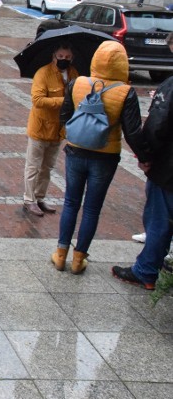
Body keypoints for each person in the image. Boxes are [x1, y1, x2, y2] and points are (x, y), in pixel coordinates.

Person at [52, 41, 150, 274]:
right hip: (105, 156)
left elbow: (65, 116)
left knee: (70, 203)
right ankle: (78, 259)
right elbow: (133, 132)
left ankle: (60, 254)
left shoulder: (78, 83)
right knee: (92, 209)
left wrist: (76, 136)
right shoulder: (125, 92)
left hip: (75, 151)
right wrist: (144, 158)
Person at [112, 33, 173, 289]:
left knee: (159, 220)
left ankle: (145, 271)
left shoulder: (171, 85)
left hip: (168, 169)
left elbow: (157, 125)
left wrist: (145, 156)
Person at [22, 43, 79, 216]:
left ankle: (39, 197)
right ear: (54, 56)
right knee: (34, 166)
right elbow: (38, 100)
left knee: (47, 167)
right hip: (40, 128)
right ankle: (29, 199)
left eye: (67, 57)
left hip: (58, 130)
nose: (64, 60)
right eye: (60, 57)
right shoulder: (43, 73)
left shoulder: (73, 74)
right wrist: (64, 101)